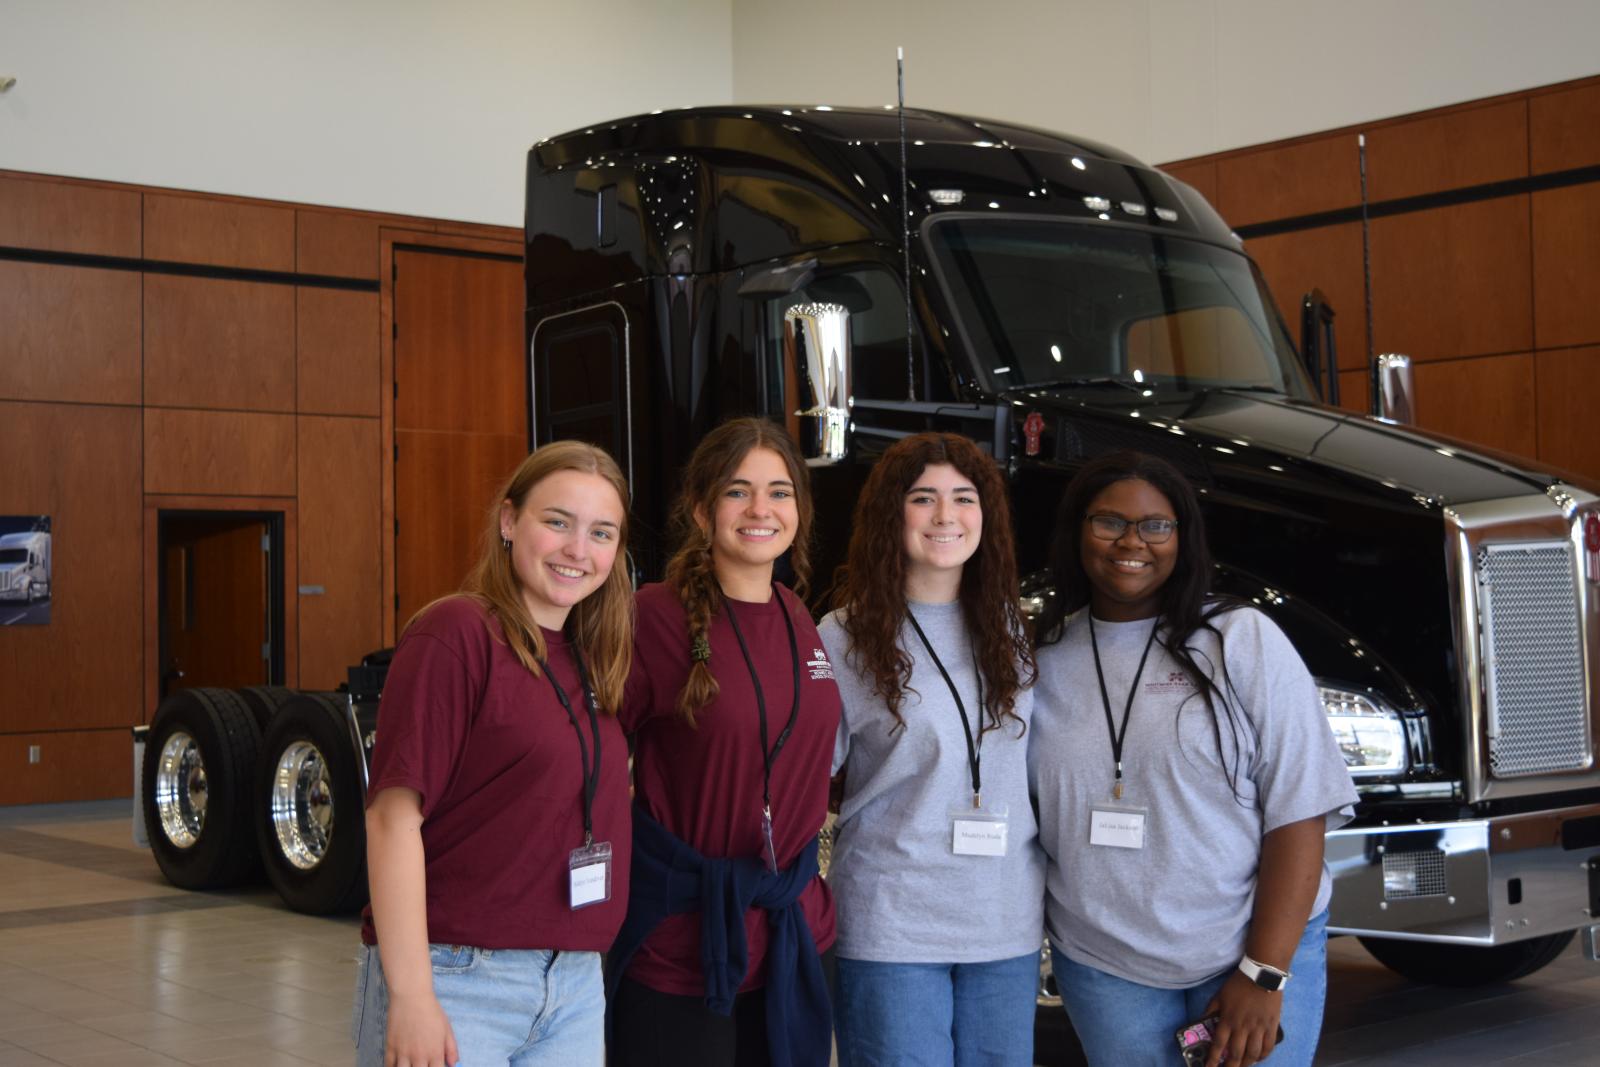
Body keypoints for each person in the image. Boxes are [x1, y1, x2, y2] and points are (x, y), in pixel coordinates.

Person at [1029, 451, 1358, 1067]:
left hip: (1248, 949)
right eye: (1108, 522)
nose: (1133, 541)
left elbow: (1299, 813)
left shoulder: (1239, 639)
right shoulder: (1041, 660)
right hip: (1106, 966)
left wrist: (1264, 972)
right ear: (1077, 531)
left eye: (1156, 525)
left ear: (1183, 539)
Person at [355, 441, 635, 1067]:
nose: (577, 550)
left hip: (573, 983)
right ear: (509, 522)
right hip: (459, 976)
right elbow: (392, 819)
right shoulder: (456, 633)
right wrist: (413, 994)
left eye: (601, 532)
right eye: (557, 522)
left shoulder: (592, 657)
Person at [607, 417, 841, 1067]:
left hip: (792, 934)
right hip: (682, 947)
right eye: (739, 491)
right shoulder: (653, 615)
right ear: (701, 508)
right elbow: (582, 755)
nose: (761, 508)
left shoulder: (797, 614)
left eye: (780, 490)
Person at [819, 432, 1042, 1066]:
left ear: (986, 516)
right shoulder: (843, 637)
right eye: (924, 498)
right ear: (892, 514)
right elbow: (805, 781)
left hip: (1006, 925)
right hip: (891, 928)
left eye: (964, 498)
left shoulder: (1015, 631)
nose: (946, 516)